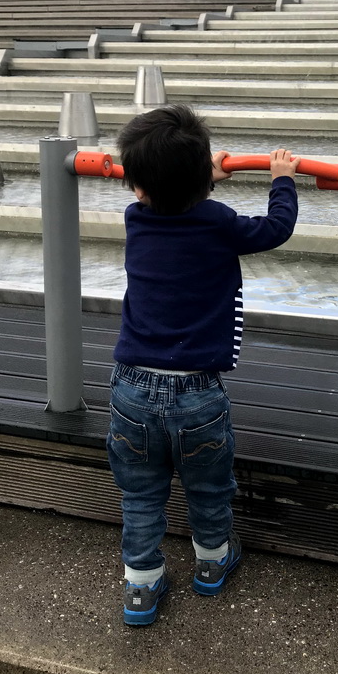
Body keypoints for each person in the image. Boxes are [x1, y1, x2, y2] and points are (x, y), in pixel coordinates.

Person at [108, 104, 299, 627]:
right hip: (198, 395)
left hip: (131, 392)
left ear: (137, 187)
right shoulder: (216, 221)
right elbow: (273, 229)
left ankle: (141, 588)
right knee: (209, 487)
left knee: (141, 493)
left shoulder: (136, 220)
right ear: (202, 180)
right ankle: (212, 563)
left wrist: (196, 180)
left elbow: (166, 198)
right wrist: (282, 179)